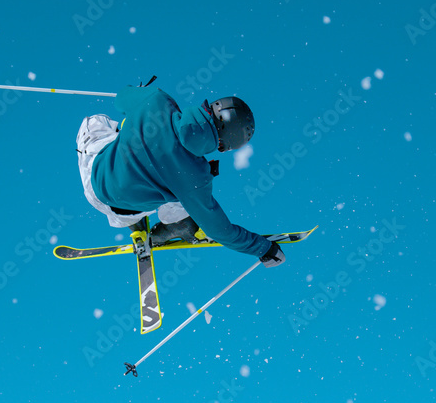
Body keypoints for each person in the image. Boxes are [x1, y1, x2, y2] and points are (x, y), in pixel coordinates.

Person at [75, 83, 285, 267]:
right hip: (129, 209)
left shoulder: (156, 99)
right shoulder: (196, 179)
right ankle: (178, 224)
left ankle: (136, 225)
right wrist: (264, 249)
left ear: (212, 106)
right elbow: (221, 231)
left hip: (96, 179)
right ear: (223, 145)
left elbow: (121, 98)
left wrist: (139, 97)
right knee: (183, 194)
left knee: (94, 122)